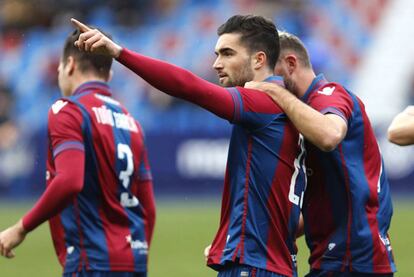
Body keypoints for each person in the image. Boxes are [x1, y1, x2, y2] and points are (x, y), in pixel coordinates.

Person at [71, 15, 307, 277]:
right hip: (277, 263)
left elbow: (189, 87)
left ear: (259, 59)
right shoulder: (294, 111)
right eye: (217, 54)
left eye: (227, 54)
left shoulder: (261, 102)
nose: (217, 64)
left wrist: (119, 53)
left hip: (254, 265)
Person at [0, 29, 156, 277]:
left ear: (69, 65)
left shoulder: (68, 110)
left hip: (91, 259)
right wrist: (137, 254)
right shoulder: (131, 122)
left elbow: (70, 180)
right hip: (133, 261)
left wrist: (21, 228)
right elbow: (148, 204)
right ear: (110, 73)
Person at [244, 32, 396, 277]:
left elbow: (329, 135)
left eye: (271, 70)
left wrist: (277, 94)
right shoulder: (303, 117)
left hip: (353, 258)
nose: (267, 81)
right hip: (340, 258)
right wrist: (246, 240)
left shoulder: (330, 94)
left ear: (291, 64)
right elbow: (316, 208)